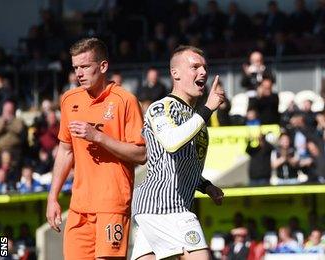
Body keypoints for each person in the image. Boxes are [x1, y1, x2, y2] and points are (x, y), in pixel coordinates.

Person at [45, 37, 147, 259]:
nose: (78, 74)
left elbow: (141, 154)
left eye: (85, 67)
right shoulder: (69, 99)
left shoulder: (125, 101)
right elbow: (65, 151)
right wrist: (52, 197)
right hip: (79, 206)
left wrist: (98, 137)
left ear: (103, 66)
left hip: (112, 204)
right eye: (75, 68)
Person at [130, 45, 226, 260]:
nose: (203, 72)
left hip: (161, 207)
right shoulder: (160, 107)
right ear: (176, 73)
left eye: (204, 67)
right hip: (164, 205)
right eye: (195, 67)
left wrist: (206, 185)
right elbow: (172, 143)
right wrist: (208, 108)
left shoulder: (195, 118)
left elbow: (179, 161)